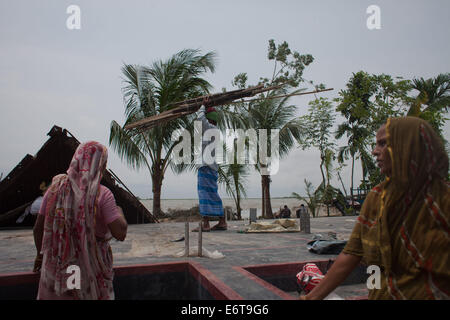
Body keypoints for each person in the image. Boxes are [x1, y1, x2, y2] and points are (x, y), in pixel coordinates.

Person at [300, 116, 449, 300]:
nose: (374, 151)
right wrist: (310, 298)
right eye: (376, 144)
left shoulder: (442, 203)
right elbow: (351, 254)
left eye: (383, 143)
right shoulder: (376, 199)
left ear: (409, 146)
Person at [32, 141, 128, 300]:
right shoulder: (102, 194)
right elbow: (120, 233)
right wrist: (120, 212)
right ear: (100, 165)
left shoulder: (55, 190)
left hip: (58, 266)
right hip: (90, 268)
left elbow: (38, 229)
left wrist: (40, 256)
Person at [193, 98, 227, 232]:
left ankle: (206, 223)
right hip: (210, 167)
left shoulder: (210, 128)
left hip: (206, 167)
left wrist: (202, 106)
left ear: (210, 120)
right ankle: (222, 221)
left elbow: (200, 118)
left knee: (204, 194)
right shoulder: (214, 130)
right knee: (212, 194)